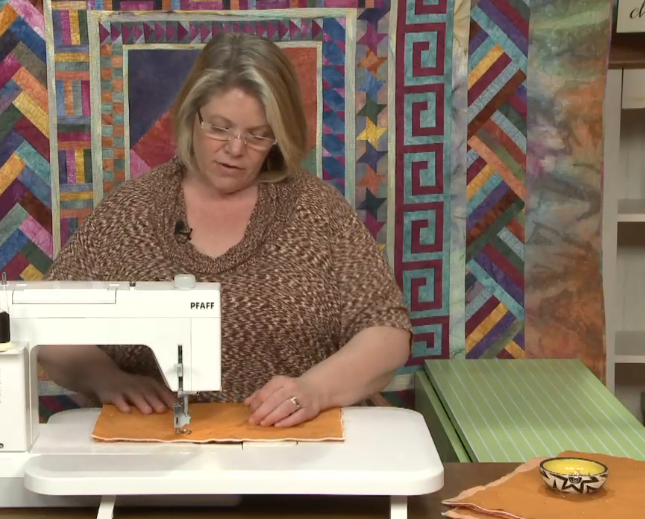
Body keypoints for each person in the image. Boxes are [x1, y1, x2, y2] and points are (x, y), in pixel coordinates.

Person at [40, 32, 412, 429]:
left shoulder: (318, 211)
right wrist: (107, 379)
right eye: (219, 128)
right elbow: (46, 324)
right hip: (157, 460)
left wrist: (316, 389)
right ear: (191, 116)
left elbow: (387, 333)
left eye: (257, 134)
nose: (235, 149)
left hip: (300, 453)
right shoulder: (129, 212)